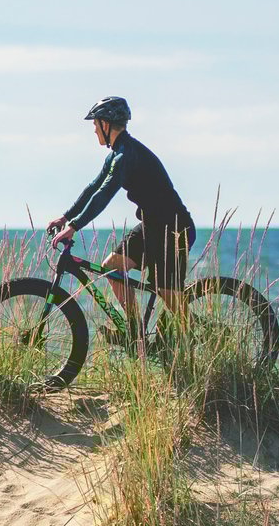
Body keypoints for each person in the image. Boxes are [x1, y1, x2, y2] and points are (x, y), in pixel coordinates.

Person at [44, 96, 195, 354]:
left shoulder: (126, 155)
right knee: (111, 267)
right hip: (152, 225)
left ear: (106, 123)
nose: (93, 130)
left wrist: (75, 227)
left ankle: (194, 335)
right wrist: (66, 217)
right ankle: (136, 334)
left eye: (95, 124)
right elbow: (93, 187)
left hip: (173, 228)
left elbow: (104, 194)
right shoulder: (117, 154)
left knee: (165, 290)